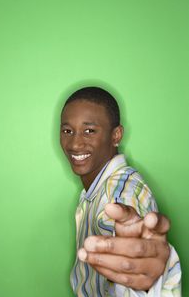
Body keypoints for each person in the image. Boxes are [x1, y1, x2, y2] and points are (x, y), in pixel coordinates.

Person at [60, 86, 181, 296]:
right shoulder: (97, 188)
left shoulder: (119, 196)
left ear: (116, 135)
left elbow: (132, 250)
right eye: (67, 131)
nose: (75, 143)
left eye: (89, 131)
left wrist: (144, 282)